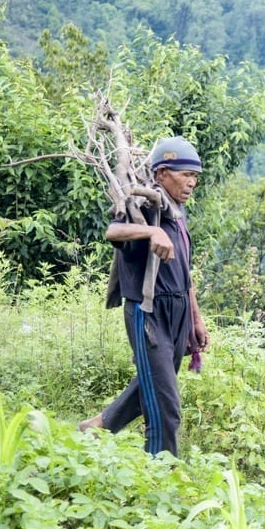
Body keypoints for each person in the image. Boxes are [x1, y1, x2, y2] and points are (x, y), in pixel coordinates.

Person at [79, 136, 209, 456]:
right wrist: (152, 231)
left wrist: (195, 318)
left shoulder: (177, 210)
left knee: (152, 384)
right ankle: (160, 478)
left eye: (195, 176)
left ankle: (98, 426)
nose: (192, 182)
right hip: (148, 312)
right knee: (166, 409)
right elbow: (113, 231)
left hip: (177, 312)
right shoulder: (142, 207)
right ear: (162, 173)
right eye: (185, 175)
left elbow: (185, 271)